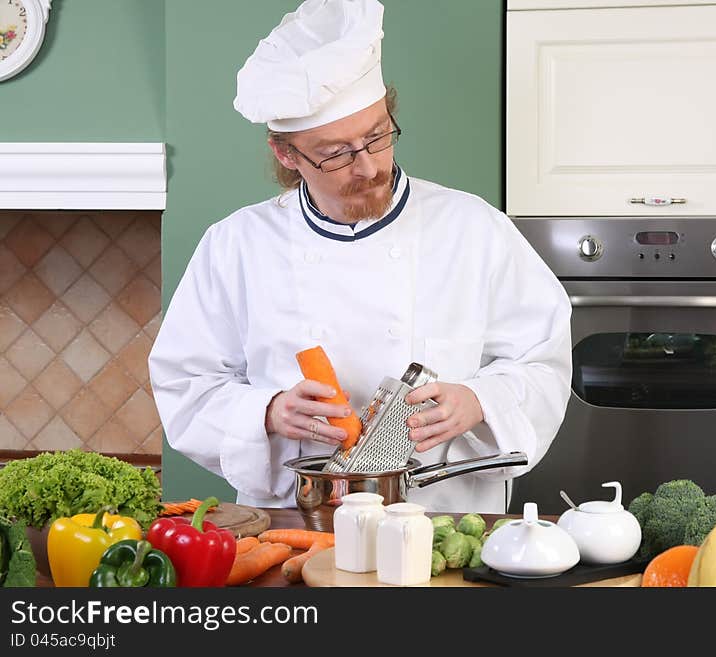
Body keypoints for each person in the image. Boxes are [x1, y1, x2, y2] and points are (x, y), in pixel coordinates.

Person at [148, 0, 572, 514]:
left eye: (377, 136)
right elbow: (184, 384)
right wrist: (267, 411)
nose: (369, 166)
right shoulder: (235, 245)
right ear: (287, 154)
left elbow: (542, 360)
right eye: (336, 153)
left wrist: (481, 400)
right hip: (298, 517)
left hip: (444, 513)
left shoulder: (473, 228)